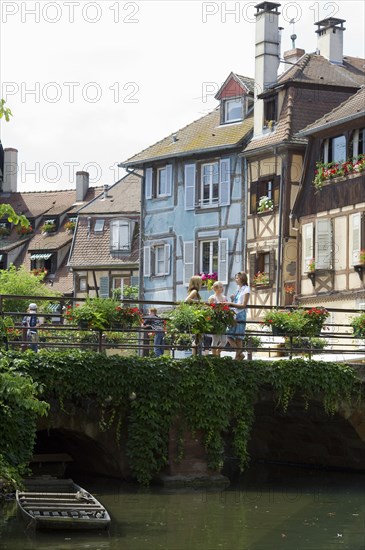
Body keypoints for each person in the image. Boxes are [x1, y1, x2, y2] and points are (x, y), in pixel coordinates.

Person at [226, 272, 250, 360]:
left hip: (241, 314)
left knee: (238, 338)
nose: (236, 279)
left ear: (242, 279)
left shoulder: (246, 289)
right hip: (235, 314)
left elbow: (243, 305)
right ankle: (240, 354)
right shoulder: (238, 289)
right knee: (229, 335)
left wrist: (231, 303)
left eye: (237, 278)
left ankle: (238, 357)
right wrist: (233, 299)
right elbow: (237, 303)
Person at [208, 281, 228, 356]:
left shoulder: (224, 297)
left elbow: (227, 308)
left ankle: (217, 353)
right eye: (220, 287)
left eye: (222, 286)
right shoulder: (212, 298)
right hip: (215, 320)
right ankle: (214, 356)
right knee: (215, 339)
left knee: (224, 341)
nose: (222, 288)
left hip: (223, 320)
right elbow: (210, 309)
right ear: (215, 288)